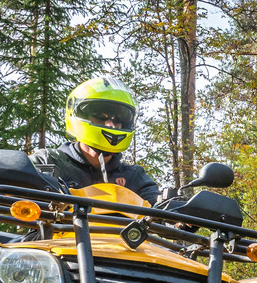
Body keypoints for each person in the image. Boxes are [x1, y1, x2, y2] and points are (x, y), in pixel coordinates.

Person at [31, 76, 161, 205]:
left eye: (118, 119)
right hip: (59, 226)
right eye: (100, 116)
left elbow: (161, 207)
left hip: (119, 227)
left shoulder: (134, 177)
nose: (111, 125)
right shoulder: (48, 161)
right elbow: (15, 186)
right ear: (79, 115)